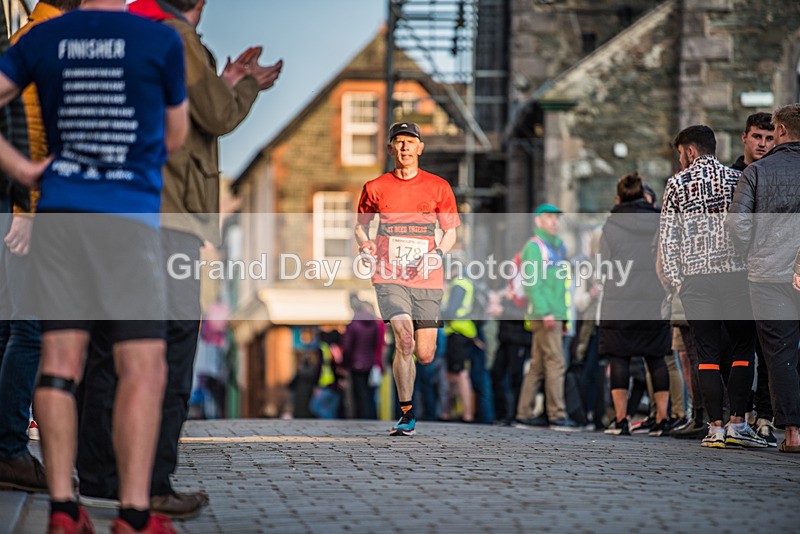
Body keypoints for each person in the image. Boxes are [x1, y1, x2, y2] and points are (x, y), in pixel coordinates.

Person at [76, 0, 282, 518]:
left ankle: (100, 473)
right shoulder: (176, 37)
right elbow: (215, 114)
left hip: (120, 207)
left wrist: (226, 74)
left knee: (109, 343)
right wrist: (249, 84)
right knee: (170, 347)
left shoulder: (128, 34)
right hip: (172, 217)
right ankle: (153, 481)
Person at [0, 0, 189, 531]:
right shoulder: (158, 40)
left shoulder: (42, 38)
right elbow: (175, 137)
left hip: (59, 217)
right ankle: (132, 515)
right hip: (126, 221)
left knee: (60, 363)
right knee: (143, 368)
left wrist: (20, 168)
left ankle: (63, 510)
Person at [0, 0, 80, 495]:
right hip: (27, 212)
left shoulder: (32, 37)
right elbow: (29, 133)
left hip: (19, 209)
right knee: (29, 330)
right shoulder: (43, 43)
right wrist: (30, 209)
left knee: (13, 328)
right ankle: (8, 449)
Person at [660, 125, 765, 449]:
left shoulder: (677, 183)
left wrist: (677, 280)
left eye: (680, 154)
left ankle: (715, 428)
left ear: (690, 151)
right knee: (741, 349)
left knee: (705, 352)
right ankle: (738, 422)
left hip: (695, 280)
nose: (680, 161)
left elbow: (668, 238)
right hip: (735, 275)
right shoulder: (737, 179)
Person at [355, 121, 460, 436]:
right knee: (404, 337)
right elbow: (360, 225)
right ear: (390, 148)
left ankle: (408, 369)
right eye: (398, 142)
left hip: (427, 277)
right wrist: (366, 244)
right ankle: (406, 413)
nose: (404, 148)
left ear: (419, 148)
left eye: (410, 142)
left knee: (425, 353)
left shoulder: (438, 187)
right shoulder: (375, 187)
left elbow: (452, 231)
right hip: (389, 275)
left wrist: (437, 253)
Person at [729, 104, 800, 453]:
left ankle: (792, 434)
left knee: (780, 356)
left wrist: (755, 253)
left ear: (782, 131)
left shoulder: (756, 172)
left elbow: (738, 227)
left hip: (768, 275)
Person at [599, 173, 671, 437]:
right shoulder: (658, 220)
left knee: (619, 358)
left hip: (619, 301)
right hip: (654, 299)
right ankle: (662, 419)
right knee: (656, 358)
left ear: (618, 198)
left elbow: (604, 265)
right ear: (644, 195)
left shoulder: (611, 225)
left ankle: (621, 420)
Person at [728, 112, 778, 446]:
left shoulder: (777, 173)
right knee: (739, 345)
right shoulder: (730, 175)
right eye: (757, 137)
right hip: (734, 272)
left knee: (770, 348)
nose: (762, 143)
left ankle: (764, 416)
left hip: (771, 270)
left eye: (768, 138)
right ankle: (738, 414)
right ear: (745, 137)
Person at [515, 204, 577, 430]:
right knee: (556, 363)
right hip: (546, 314)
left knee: (539, 365)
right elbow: (532, 283)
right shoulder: (535, 247)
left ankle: (524, 413)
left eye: (556, 218)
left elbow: (563, 286)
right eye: (549, 217)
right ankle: (557, 415)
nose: (554, 222)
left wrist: (564, 316)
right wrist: (546, 311)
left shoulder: (559, 247)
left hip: (556, 313)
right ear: (538, 221)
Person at [442, 260, 479, 423]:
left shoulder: (459, 283)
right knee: (453, 373)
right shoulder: (467, 282)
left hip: (458, 331)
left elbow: (451, 311)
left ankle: (467, 414)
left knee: (461, 373)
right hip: (463, 331)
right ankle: (447, 412)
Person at [341, 296, 385, 419]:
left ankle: (360, 418)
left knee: (358, 394)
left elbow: (348, 347)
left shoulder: (353, 325)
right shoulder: (374, 325)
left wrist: (344, 364)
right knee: (367, 393)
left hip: (356, 363)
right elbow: (376, 344)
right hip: (369, 363)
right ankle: (369, 417)